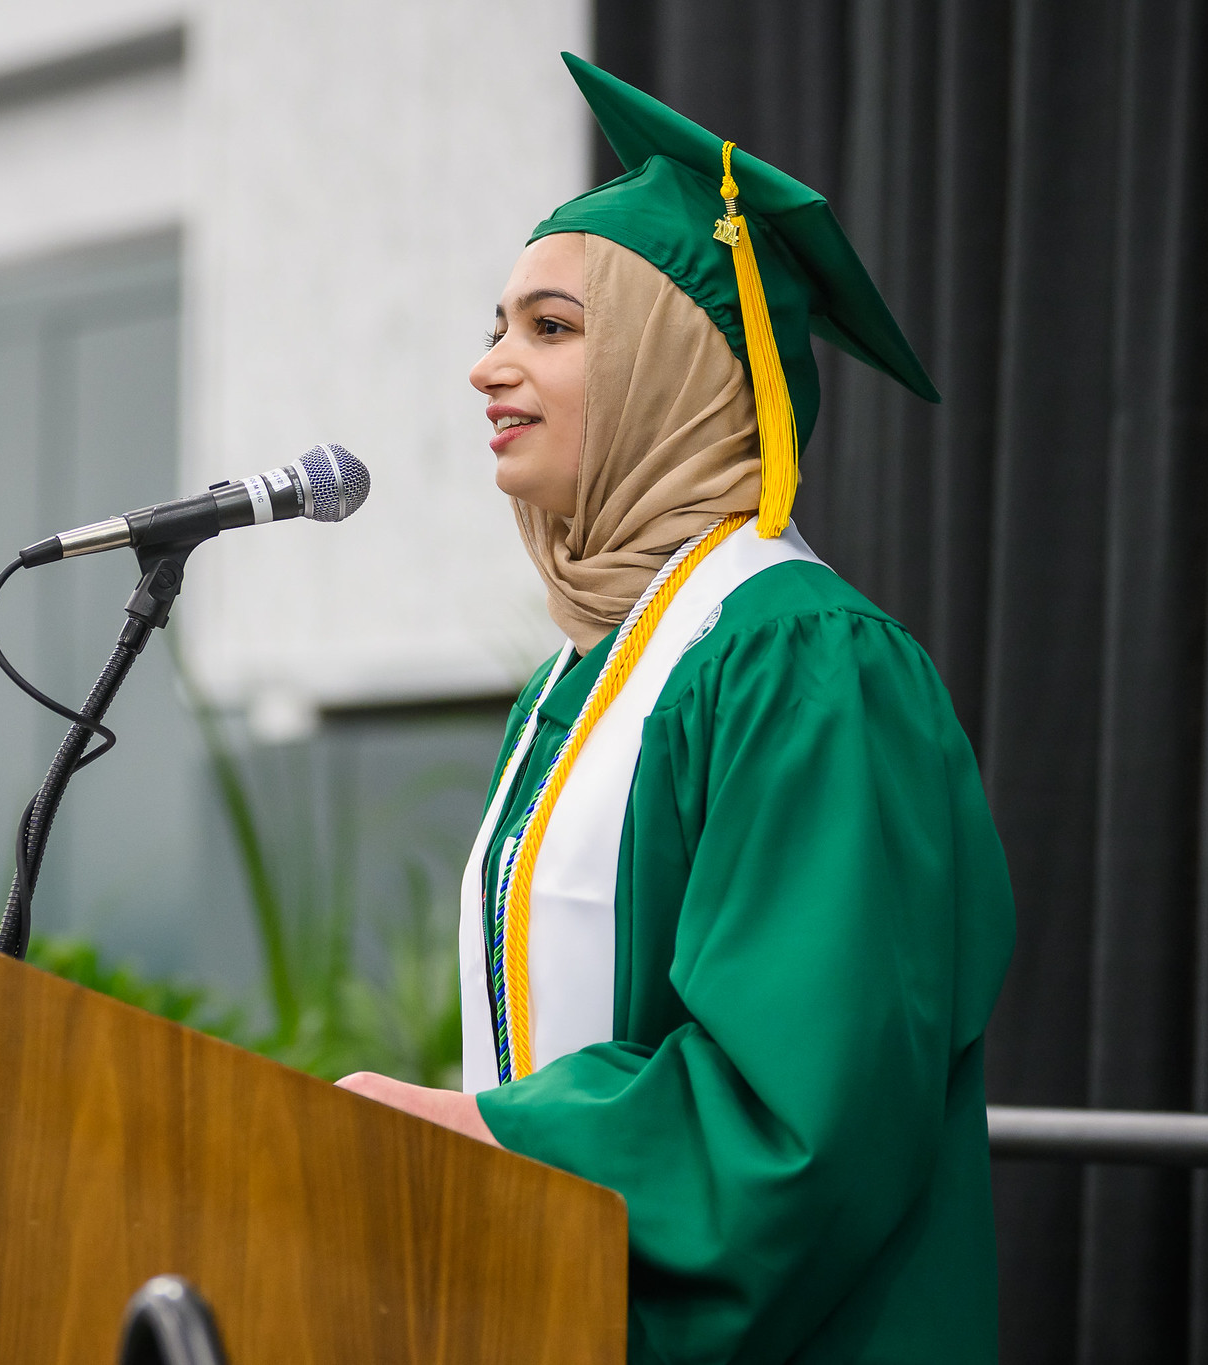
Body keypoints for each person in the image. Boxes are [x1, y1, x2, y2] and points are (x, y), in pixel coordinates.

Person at [336, 55, 1015, 1364]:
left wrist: (495, 1138)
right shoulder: (588, 676)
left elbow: (799, 1108)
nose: (486, 367)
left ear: (676, 372)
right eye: (495, 323)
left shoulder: (805, 661)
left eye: (548, 327)